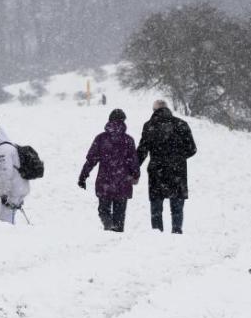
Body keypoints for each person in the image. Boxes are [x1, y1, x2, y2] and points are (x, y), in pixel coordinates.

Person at [136, 100, 197, 234]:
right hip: (177, 171)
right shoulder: (181, 124)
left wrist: (133, 169)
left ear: (154, 111)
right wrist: (178, 158)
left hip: (156, 170)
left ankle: (157, 233)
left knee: (156, 205)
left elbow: (142, 151)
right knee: (177, 205)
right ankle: (177, 230)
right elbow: (192, 149)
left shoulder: (149, 126)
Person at [78, 109, 139, 232]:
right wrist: (135, 175)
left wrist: (83, 176)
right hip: (123, 181)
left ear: (109, 120)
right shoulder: (128, 140)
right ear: (124, 121)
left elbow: (91, 160)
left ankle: (108, 224)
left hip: (105, 180)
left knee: (103, 210)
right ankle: (117, 234)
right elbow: (133, 161)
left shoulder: (101, 138)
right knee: (120, 213)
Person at [0, 128, 30, 225]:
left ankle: (8, 238)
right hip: (21, 186)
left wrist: (3, 194)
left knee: (6, 222)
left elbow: (6, 173)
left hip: (12, 190)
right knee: (10, 220)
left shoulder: (3, 150)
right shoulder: (12, 147)